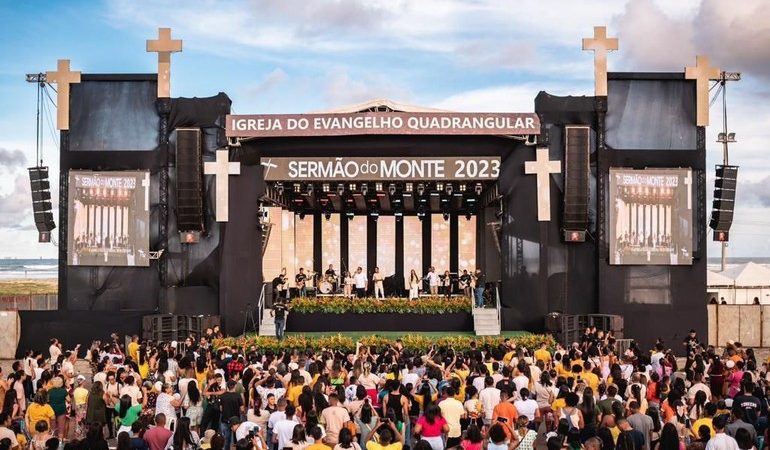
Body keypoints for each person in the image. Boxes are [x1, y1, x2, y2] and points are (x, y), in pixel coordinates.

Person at [220, 382, 244, 449]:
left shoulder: (223, 395)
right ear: (234, 386)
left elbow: (221, 409)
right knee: (237, 439)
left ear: (227, 387)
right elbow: (242, 409)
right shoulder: (238, 396)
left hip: (225, 420)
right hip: (235, 422)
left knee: (226, 440)